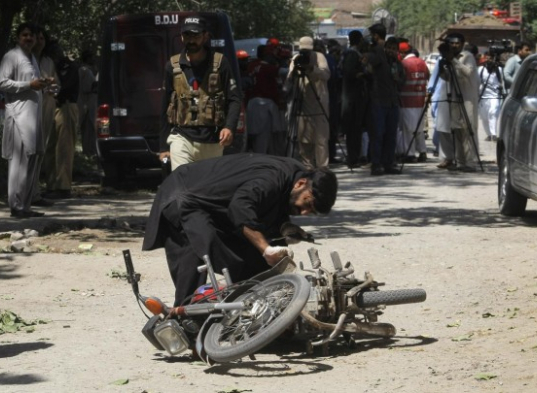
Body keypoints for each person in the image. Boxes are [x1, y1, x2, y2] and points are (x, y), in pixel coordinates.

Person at [142, 153, 338, 306]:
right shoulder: (273, 177)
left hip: (210, 206)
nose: (303, 213)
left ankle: (256, 316)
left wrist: (279, 250)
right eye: (307, 204)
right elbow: (241, 207)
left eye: (310, 212)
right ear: (301, 184)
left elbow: (268, 215)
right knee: (201, 244)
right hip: (184, 195)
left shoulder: (293, 178)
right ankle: (184, 320)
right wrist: (266, 249)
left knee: (257, 265)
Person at [160, 16, 242, 171]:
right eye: (187, 35)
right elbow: (165, 106)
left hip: (212, 139)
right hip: (181, 136)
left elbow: (234, 98)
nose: (191, 40)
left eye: (196, 36)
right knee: (182, 182)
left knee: (208, 187)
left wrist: (229, 127)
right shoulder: (172, 66)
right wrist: (163, 146)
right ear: (182, 36)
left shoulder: (220, 63)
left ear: (205, 36)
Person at [0, 22, 51, 218]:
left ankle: (25, 205)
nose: (29, 39)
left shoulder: (32, 59)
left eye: (32, 36)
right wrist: (29, 84)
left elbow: (33, 85)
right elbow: (2, 83)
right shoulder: (12, 56)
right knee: (18, 162)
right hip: (18, 117)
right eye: (25, 35)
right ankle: (16, 205)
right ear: (18, 37)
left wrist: (44, 84)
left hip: (33, 117)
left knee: (32, 159)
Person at [435, 33, 480, 172]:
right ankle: (460, 162)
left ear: (462, 44)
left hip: (467, 99)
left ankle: (470, 163)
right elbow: (447, 78)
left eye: (457, 43)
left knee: (468, 130)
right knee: (457, 130)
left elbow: (468, 72)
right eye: (452, 43)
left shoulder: (467, 56)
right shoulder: (449, 58)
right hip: (454, 98)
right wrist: (443, 67)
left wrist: (453, 60)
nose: (454, 46)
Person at [285, 36, 331, 169]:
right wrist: (294, 71)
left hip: (319, 105)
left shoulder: (319, 57)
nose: (305, 54)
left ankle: (323, 169)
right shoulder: (296, 59)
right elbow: (289, 80)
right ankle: (307, 168)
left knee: (321, 141)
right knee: (303, 141)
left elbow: (326, 75)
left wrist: (312, 69)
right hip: (302, 106)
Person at [366, 23, 404, 176]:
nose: (392, 51)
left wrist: (397, 78)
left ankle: (389, 163)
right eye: (389, 48)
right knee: (378, 134)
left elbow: (402, 81)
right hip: (379, 101)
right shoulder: (377, 53)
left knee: (391, 134)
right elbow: (369, 62)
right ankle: (376, 164)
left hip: (393, 102)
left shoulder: (397, 63)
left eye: (394, 49)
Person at [44, 43, 80, 199]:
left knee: (64, 147)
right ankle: (51, 184)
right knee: (50, 146)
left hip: (66, 105)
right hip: (51, 106)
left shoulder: (69, 66)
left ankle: (63, 186)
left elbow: (66, 87)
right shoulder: (46, 66)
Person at [30, 27, 58, 207]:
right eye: (36, 38)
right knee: (27, 152)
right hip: (28, 109)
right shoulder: (23, 59)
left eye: (42, 38)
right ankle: (24, 194)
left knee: (40, 150)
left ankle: (35, 193)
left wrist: (53, 89)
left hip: (46, 107)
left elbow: (56, 84)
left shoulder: (48, 62)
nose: (39, 41)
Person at [245, 45, 283, 155]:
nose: (274, 57)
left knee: (256, 137)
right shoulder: (267, 67)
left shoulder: (251, 65)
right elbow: (283, 72)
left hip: (252, 104)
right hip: (264, 105)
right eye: (271, 55)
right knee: (263, 137)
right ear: (266, 55)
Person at [340, 30, 371, 168]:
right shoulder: (352, 55)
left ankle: (354, 157)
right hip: (353, 99)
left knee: (355, 130)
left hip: (352, 98)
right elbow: (350, 73)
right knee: (354, 130)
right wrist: (363, 74)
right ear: (359, 40)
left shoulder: (349, 53)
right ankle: (353, 158)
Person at [398, 45, 430, 163]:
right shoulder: (422, 63)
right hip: (420, 100)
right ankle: (422, 152)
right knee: (419, 128)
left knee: (408, 129)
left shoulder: (404, 64)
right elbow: (427, 77)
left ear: (402, 53)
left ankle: (410, 154)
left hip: (406, 101)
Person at [477, 53, 503, 142]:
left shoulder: (499, 70)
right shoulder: (481, 69)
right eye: (487, 58)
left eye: (491, 58)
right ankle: (488, 134)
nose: (489, 60)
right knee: (484, 117)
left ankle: (494, 134)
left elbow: (502, 81)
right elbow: (477, 82)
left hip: (495, 96)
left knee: (493, 112)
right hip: (483, 96)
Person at [77, 49, 98, 158]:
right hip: (85, 99)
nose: (93, 59)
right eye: (91, 56)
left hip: (91, 100)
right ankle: (87, 150)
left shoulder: (90, 70)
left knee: (91, 126)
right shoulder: (83, 70)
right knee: (86, 125)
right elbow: (86, 86)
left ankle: (91, 150)